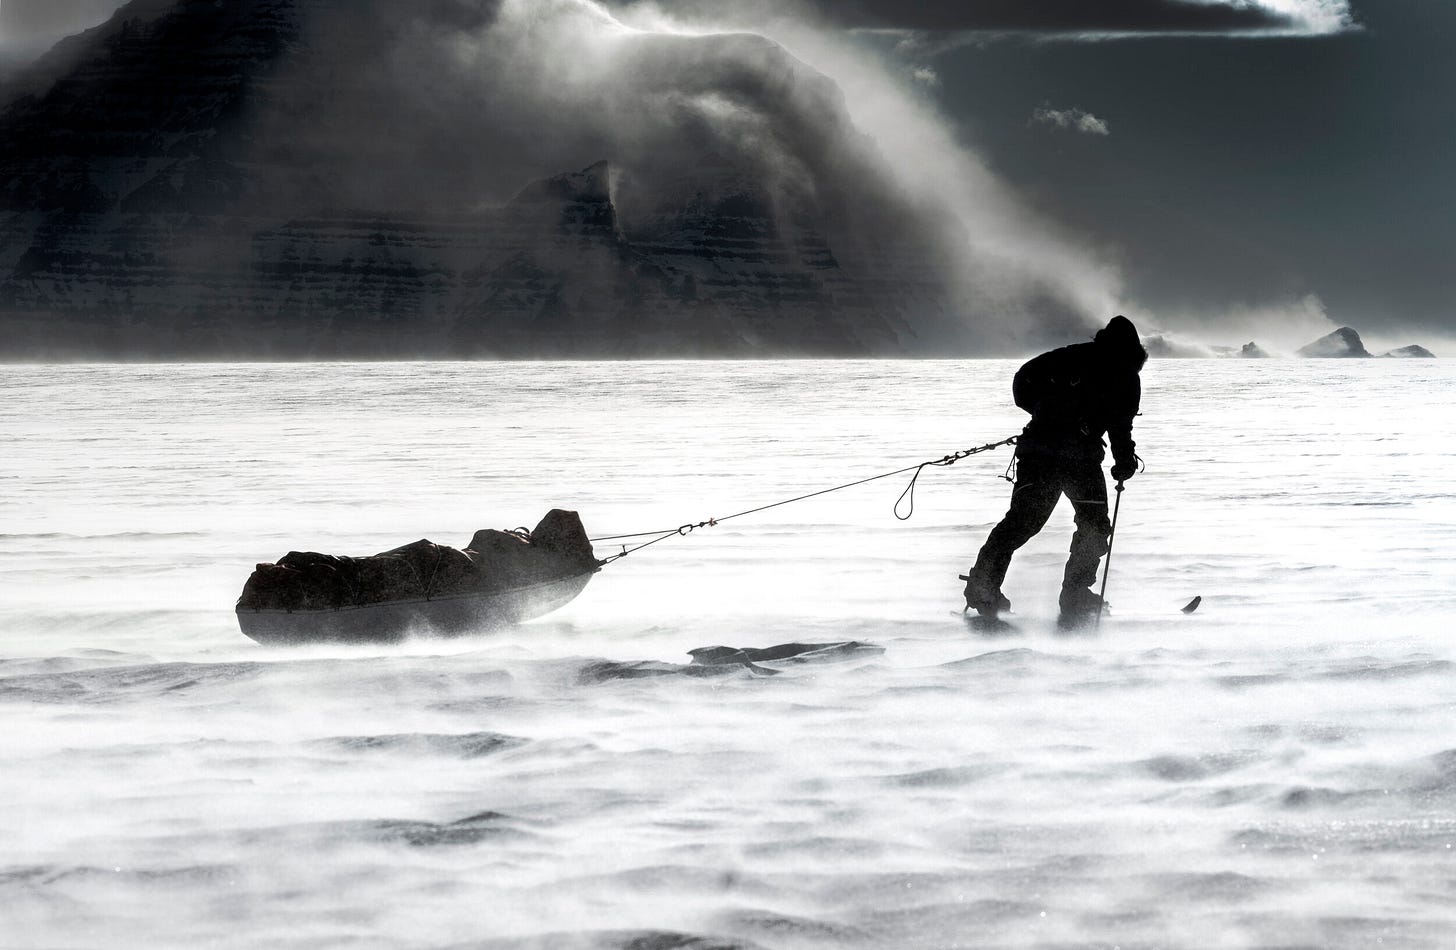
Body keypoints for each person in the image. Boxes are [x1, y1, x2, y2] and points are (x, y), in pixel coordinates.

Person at [963, 314, 1147, 627]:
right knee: (1094, 526)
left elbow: (1023, 379)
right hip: (1080, 460)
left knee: (1022, 522)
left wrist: (1042, 410)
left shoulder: (1068, 355)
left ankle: (983, 587)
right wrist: (1124, 462)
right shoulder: (1126, 374)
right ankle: (1075, 593)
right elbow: (1120, 425)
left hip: (1039, 451)